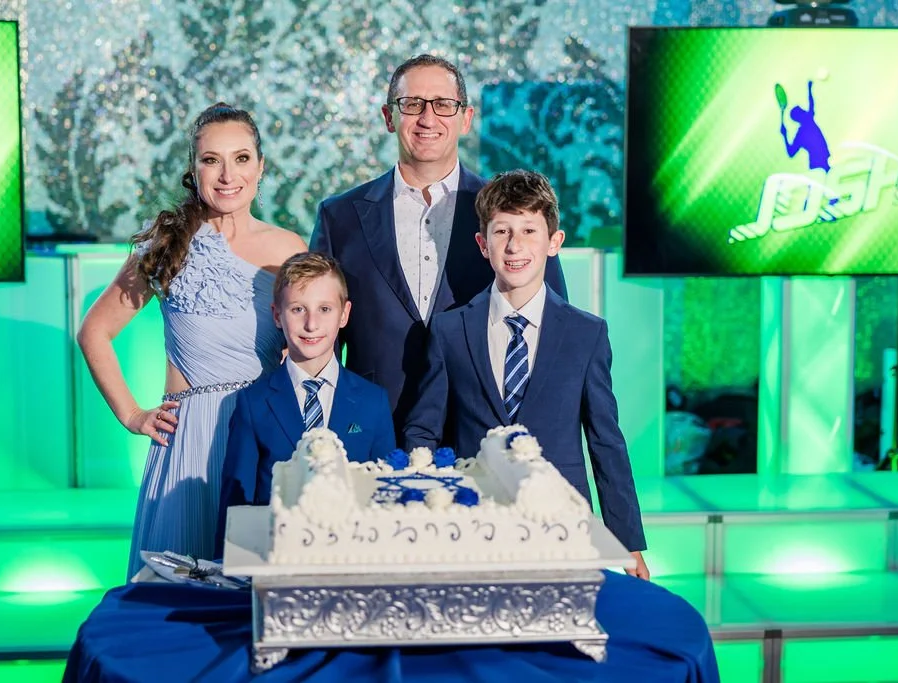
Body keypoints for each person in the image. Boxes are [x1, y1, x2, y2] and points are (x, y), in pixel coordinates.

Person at [77, 103, 307, 579]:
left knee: (252, 597)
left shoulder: (289, 248)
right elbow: (94, 331)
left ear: (261, 167)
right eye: (211, 160)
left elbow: (304, 352)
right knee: (175, 602)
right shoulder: (168, 244)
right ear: (193, 167)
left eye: (241, 158)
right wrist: (133, 415)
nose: (228, 175)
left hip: (262, 437)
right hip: (188, 440)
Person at [402, 170, 649, 579]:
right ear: (483, 244)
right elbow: (422, 432)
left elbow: (606, 443)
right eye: (502, 231)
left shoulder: (586, 334)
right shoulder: (449, 331)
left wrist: (626, 542)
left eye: (529, 231)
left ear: (554, 242)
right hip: (469, 529)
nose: (515, 245)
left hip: (564, 528)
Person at [311, 54, 567, 438]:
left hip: (484, 432)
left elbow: (552, 325)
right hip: (370, 430)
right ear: (388, 116)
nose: (427, 118)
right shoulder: (340, 217)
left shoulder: (511, 214)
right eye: (411, 104)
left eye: (443, 105)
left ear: (465, 118)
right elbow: (317, 332)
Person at [213, 252, 396, 556]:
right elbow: (236, 507)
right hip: (274, 559)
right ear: (276, 315)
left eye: (325, 309)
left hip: (355, 559)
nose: (311, 324)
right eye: (298, 309)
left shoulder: (372, 401)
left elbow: (385, 496)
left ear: (344, 314)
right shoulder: (252, 403)